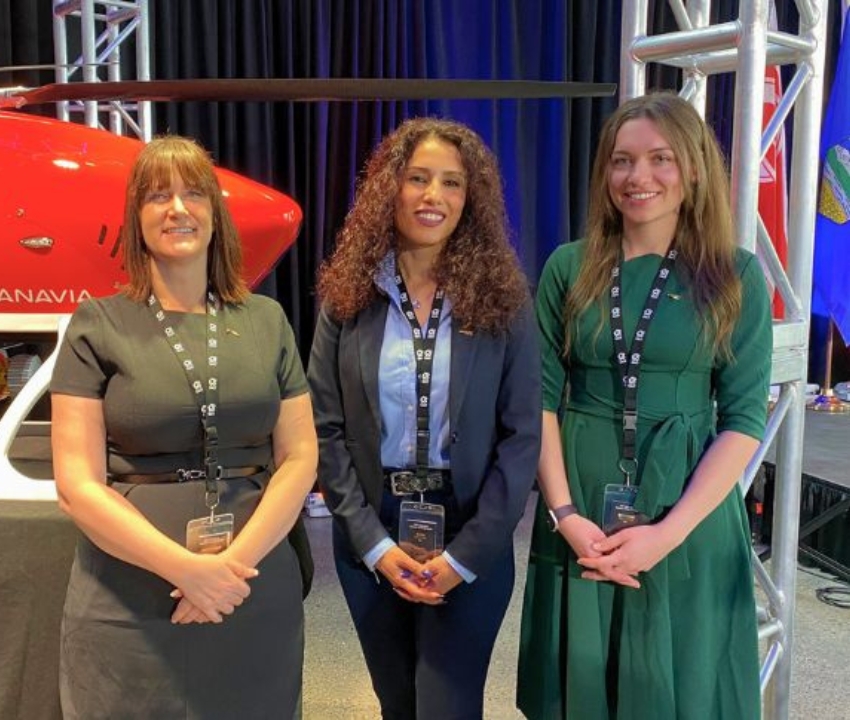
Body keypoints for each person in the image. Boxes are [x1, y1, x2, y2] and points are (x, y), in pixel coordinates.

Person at [516, 93, 772, 720]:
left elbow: (742, 422)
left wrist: (667, 534)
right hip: (580, 515)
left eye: (660, 159)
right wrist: (565, 515)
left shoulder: (736, 275)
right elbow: (539, 401)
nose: (640, 178)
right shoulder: (567, 268)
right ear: (605, 173)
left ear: (691, 170)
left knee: (681, 686)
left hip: (687, 516)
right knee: (580, 683)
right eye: (622, 161)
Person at [50, 135, 317, 719]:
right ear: (136, 217)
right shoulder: (96, 325)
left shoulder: (267, 320)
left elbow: (299, 458)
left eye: (194, 193)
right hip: (130, 598)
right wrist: (188, 572)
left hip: (251, 585)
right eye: (157, 196)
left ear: (215, 215)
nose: (177, 208)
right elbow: (76, 484)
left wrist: (230, 571)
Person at [308, 117, 541, 719]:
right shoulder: (347, 295)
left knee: (447, 706)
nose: (433, 196)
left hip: (469, 530)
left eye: (451, 183)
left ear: (472, 198)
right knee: (398, 705)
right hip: (371, 529)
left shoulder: (504, 300)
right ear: (391, 188)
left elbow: (521, 438)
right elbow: (325, 427)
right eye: (417, 179)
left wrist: (464, 558)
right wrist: (375, 544)